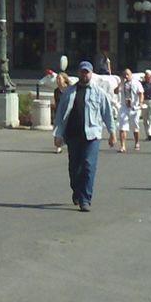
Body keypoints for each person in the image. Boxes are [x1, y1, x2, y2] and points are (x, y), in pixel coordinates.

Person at [53, 61, 116, 212]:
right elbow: (60, 114)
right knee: (74, 168)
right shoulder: (69, 92)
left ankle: (85, 199)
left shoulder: (99, 93)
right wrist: (58, 134)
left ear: (91, 73)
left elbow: (107, 113)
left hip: (92, 136)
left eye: (87, 72)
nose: (84, 74)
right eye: (82, 71)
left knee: (88, 166)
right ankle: (77, 190)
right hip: (73, 135)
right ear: (79, 73)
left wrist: (112, 133)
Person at [116, 68, 143, 152]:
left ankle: (137, 142)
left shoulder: (136, 83)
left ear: (131, 75)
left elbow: (141, 93)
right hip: (124, 107)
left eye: (127, 74)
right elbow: (115, 91)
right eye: (124, 75)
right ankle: (123, 146)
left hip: (134, 107)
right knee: (122, 127)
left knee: (135, 127)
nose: (126, 76)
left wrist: (141, 102)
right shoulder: (122, 84)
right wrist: (120, 84)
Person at [53, 71, 71, 153]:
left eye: (59, 79)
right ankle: (58, 146)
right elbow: (56, 103)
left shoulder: (69, 89)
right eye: (57, 79)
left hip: (69, 113)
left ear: (64, 80)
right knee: (57, 130)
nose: (57, 80)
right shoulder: (56, 91)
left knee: (69, 131)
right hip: (59, 113)